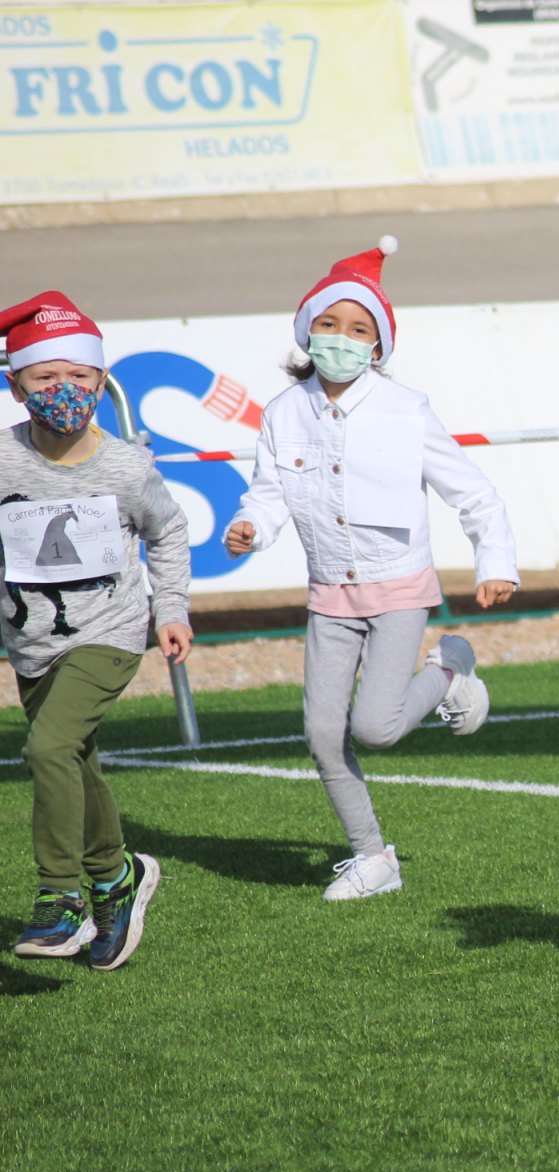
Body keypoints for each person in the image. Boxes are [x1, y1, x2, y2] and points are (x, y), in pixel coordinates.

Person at [224, 238, 519, 901]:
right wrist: (251, 527)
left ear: (379, 347)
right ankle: (372, 859)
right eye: (329, 325)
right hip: (329, 594)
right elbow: (268, 494)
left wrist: (494, 561)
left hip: (398, 589)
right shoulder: (282, 412)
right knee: (323, 736)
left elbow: (472, 491)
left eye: (360, 329)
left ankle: (449, 672)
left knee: (375, 728)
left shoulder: (404, 409)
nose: (342, 339)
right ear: (306, 331)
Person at [1, 291, 189, 970]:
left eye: (78, 376)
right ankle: (117, 878)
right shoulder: (3, 459)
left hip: (109, 634)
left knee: (49, 749)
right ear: (15, 382)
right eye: (44, 377)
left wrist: (170, 610)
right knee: (74, 761)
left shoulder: (126, 467)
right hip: (31, 644)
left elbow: (168, 533)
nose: (63, 390)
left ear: (102, 381)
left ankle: (61, 900)